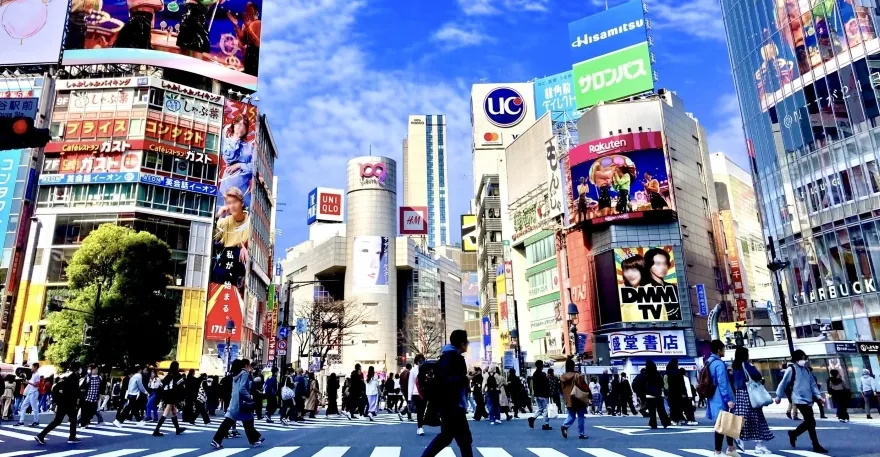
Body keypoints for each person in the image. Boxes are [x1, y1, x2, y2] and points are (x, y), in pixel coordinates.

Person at [419, 330, 473, 457]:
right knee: (463, 440)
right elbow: (450, 382)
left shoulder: (445, 356)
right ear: (461, 344)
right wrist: (466, 379)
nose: (468, 344)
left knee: (447, 436)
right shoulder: (455, 358)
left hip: (446, 405)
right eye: (466, 341)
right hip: (454, 405)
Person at [775, 350, 827, 453]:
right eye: (802, 358)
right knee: (811, 421)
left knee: (810, 422)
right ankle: (815, 444)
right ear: (796, 359)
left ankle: (794, 434)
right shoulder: (791, 369)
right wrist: (778, 396)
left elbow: (812, 384)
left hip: (808, 399)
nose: (804, 360)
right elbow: (783, 383)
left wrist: (818, 396)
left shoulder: (806, 370)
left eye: (804, 358)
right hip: (798, 399)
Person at [210, 358, 264, 449]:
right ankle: (254, 440)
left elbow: (236, 389)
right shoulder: (244, 374)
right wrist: (249, 397)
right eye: (249, 365)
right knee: (246, 419)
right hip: (241, 402)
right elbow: (242, 389)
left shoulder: (235, 375)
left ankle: (216, 440)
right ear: (245, 366)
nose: (250, 367)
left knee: (234, 421)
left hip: (234, 401)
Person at [732, 347, 774, 455]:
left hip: (739, 394)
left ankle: (738, 437)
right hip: (750, 394)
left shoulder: (734, 366)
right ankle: (759, 445)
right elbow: (757, 376)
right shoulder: (746, 365)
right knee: (757, 419)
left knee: (742, 417)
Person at [34, 362, 81, 445]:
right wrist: (76, 402)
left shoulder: (64, 376)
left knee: (57, 421)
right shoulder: (74, 377)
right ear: (77, 369)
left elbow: (56, 387)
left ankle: (41, 435)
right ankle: (72, 437)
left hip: (61, 401)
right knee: (73, 419)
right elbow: (74, 391)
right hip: (70, 402)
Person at [706, 340, 737, 456]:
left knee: (727, 423)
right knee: (721, 425)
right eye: (723, 349)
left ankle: (731, 448)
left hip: (713, 397)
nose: (724, 351)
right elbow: (722, 383)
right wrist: (728, 399)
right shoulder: (719, 364)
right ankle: (718, 451)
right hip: (721, 398)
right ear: (719, 350)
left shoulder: (708, 362)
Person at [152, 361, 187, 437]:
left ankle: (177, 429)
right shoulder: (177, 375)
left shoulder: (168, 375)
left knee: (173, 411)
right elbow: (180, 384)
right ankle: (156, 429)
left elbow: (162, 384)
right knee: (166, 412)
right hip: (172, 395)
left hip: (167, 395)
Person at [560, 358, 589, 440]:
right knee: (580, 416)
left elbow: (561, 389)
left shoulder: (562, 377)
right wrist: (589, 395)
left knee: (571, 416)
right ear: (573, 366)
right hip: (578, 398)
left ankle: (564, 426)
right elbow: (584, 386)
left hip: (568, 399)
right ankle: (581, 433)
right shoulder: (577, 375)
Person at [643, 360, 671, 429]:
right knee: (661, 410)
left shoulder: (645, 374)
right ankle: (665, 422)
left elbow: (642, 384)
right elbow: (662, 383)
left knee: (652, 411)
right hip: (658, 394)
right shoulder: (657, 373)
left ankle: (653, 424)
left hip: (649, 395)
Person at [528, 360, 551, 430]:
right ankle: (545, 424)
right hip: (543, 394)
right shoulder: (543, 374)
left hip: (537, 394)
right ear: (541, 366)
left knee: (540, 408)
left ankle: (533, 418)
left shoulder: (534, 374)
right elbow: (546, 384)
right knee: (546, 409)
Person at [665, 358, 688, 425]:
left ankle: (673, 419)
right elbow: (682, 383)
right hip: (678, 392)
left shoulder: (668, 372)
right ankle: (679, 419)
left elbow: (666, 383)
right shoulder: (678, 372)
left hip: (671, 391)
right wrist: (684, 392)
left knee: (672, 406)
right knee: (679, 406)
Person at [409, 355, 427, 435]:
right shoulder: (413, 370)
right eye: (419, 361)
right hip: (416, 393)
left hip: (425, 393)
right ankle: (420, 427)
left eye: (422, 360)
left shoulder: (426, 369)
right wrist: (409, 397)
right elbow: (411, 384)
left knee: (422, 411)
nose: (421, 362)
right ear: (416, 362)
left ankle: (420, 426)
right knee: (419, 411)